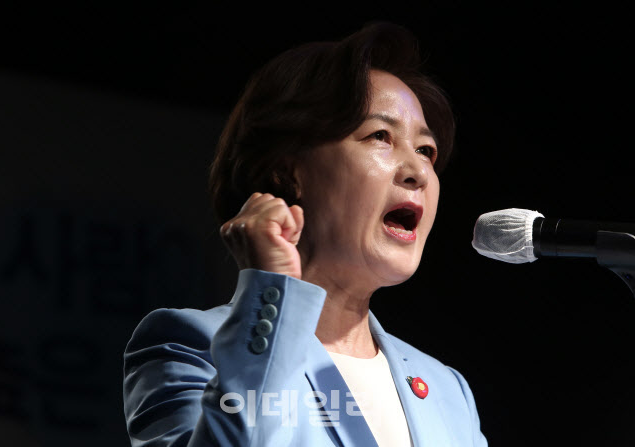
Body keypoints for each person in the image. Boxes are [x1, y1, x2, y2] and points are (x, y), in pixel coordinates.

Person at [123, 22, 488, 447]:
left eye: (426, 150)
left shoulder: (446, 390)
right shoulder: (191, 345)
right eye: (380, 136)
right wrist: (271, 290)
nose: (418, 172)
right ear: (287, 171)